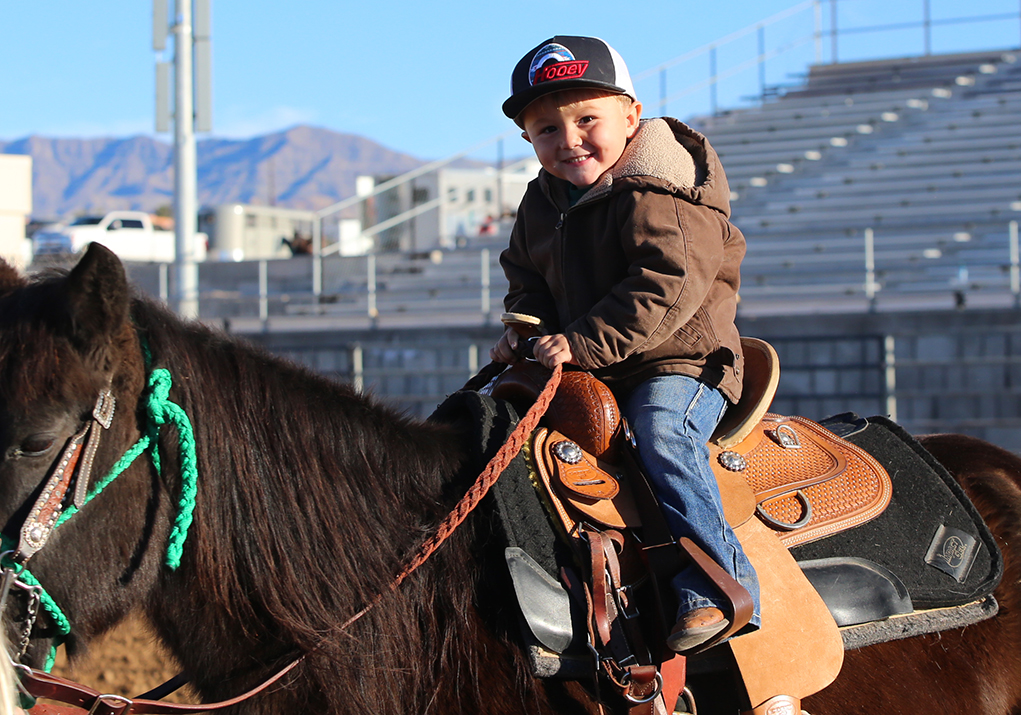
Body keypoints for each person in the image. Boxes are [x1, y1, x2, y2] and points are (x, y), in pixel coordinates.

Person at [489, 35, 760, 653]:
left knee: (662, 434)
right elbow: (525, 276)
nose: (569, 139)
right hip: (598, 360)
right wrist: (523, 329)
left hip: (680, 360)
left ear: (631, 117)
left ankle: (722, 584)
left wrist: (580, 343)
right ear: (528, 140)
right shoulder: (542, 199)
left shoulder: (657, 189)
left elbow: (668, 284)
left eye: (588, 119)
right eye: (547, 129)